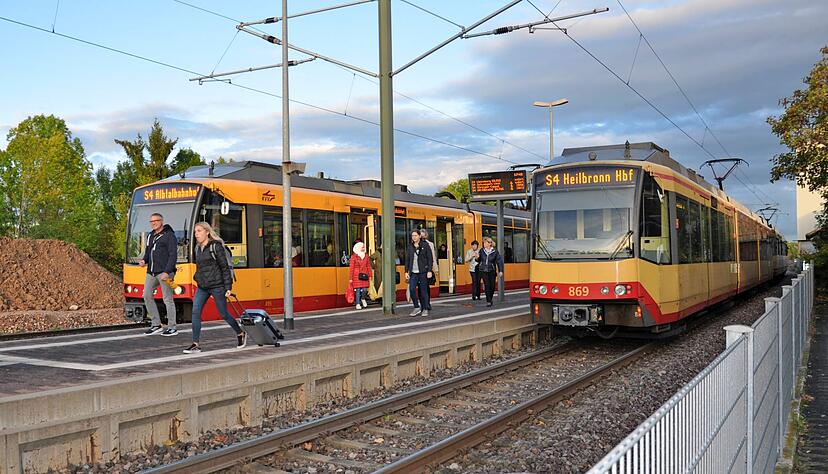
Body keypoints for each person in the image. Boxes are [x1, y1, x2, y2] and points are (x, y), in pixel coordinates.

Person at [183, 222, 246, 354]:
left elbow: (224, 267)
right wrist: (197, 277)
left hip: (217, 286)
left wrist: (228, 287)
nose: (196, 234)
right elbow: (200, 267)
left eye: (199, 231)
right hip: (203, 286)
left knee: (223, 313)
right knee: (195, 312)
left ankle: (240, 333)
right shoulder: (197, 248)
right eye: (195, 232)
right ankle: (195, 344)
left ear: (207, 232)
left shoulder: (216, 247)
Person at [139, 213, 179, 336]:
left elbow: (173, 255)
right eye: (151, 221)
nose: (153, 223)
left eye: (156, 220)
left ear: (162, 221)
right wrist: (144, 261)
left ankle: (172, 327)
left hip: (165, 272)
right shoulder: (150, 235)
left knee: (167, 299)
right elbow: (148, 252)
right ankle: (156, 324)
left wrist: (167, 272)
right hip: (151, 272)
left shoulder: (169, 236)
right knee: (146, 295)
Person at [405, 230, 433, 317]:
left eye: (415, 235)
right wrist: (406, 271)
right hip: (413, 272)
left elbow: (430, 259)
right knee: (412, 289)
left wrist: (429, 270)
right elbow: (407, 260)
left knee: (423, 291)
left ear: (420, 236)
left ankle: (424, 309)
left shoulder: (425, 245)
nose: (414, 237)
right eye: (412, 235)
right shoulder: (410, 247)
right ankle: (416, 307)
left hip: (423, 272)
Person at [477, 237, 504, 307]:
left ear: (490, 243)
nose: (484, 244)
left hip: (492, 271)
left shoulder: (495, 251)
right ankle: (488, 301)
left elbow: (499, 261)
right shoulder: (481, 251)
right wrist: (477, 257)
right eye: (483, 243)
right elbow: (479, 260)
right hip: (483, 270)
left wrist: (500, 270)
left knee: (492, 286)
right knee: (487, 285)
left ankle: (490, 298)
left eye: (485, 243)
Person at [418, 228, 437, 311]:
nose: (422, 238)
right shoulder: (415, 244)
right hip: (417, 269)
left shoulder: (430, 244)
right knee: (419, 287)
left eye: (423, 236)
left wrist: (435, 269)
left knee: (425, 287)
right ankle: (422, 303)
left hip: (426, 269)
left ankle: (427, 303)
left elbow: (433, 257)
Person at [349, 242, 372, 309]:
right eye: (362, 247)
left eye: (364, 247)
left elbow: (368, 266)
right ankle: (358, 304)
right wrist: (350, 278)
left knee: (365, 289)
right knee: (358, 290)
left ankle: (363, 298)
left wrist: (370, 275)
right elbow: (351, 268)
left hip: (365, 274)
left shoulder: (366, 256)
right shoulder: (354, 257)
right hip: (356, 275)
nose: (363, 248)